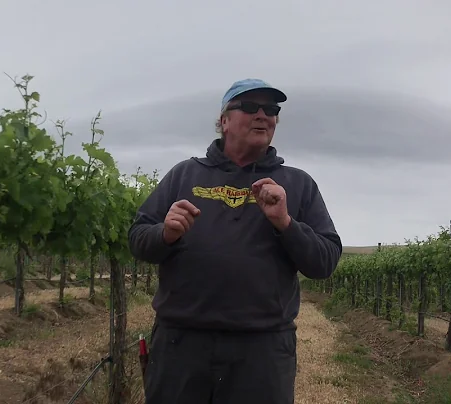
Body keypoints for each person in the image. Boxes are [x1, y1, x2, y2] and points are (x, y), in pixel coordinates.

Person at [128, 78, 342, 404]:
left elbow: (324, 261)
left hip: (262, 351)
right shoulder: (184, 175)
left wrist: (285, 223)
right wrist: (165, 234)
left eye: (271, 109)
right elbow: (138, 237)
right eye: (250, 107)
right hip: (181, 346)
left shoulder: (297, 185)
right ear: (224, 121)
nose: (263, 115)